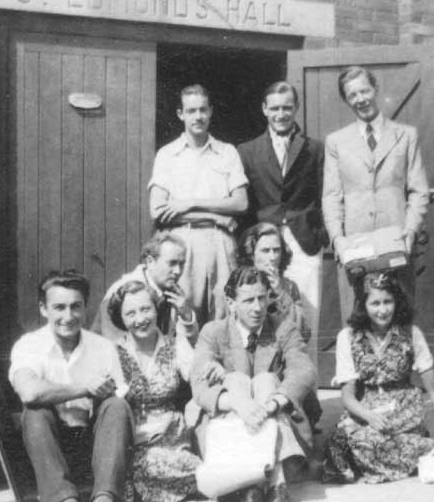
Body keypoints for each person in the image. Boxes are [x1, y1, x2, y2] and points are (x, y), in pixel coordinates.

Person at [191, 266, 317, 502]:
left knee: (266, 380)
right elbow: (200, 387)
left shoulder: (283, 328)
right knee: (236, 380)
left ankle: (257, 487)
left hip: (274, 417)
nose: (258, 307)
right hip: (228, 429)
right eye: (248, 300)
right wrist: (240, 404)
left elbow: (304, 371)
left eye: (262, 297)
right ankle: (271, 485)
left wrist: (269, 406)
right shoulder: (213, 332)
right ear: (231, 303)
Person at [8, 270, 132, 502]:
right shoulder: (29, 345)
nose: (68, 316)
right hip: (49, 446)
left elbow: (119, 400)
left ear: (85, 307)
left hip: (92, 444)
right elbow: (29, 391)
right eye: (59, 307)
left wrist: (102, 397)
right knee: (34, 412)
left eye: (76, 307)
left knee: (116, 406)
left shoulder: (102, 347)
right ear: (44, 309)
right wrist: (84, 387)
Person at [322, 271, 434, 484]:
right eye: (375, 303)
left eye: (388, 302)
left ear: (397, 302)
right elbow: (348, 397)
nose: (383, 310)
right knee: (339, 443)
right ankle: (421, 450)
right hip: (365, 406)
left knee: (367, 444)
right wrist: (369, 416)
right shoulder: (348, 337)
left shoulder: (411, 333)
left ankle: (423, 449)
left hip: (402, 407)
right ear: (363, 305)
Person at [322, 66, 429, 322]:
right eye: (352, 95)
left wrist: (411, 230)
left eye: (364, 91)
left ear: (375, 89)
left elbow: (419, 190)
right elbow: (331, 196)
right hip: (355, 246)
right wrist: (338, 239)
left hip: (396, 244)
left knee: (399, 320)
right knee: (356, 322)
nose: (360, 99)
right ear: (346, 100)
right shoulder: (336, 142)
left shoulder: (405, 135)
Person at [149, 84, 249, 325]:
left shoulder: (227, 152)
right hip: (184, 243)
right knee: (182, 315)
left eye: (203, 110)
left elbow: (241, 202)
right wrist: (215, 216)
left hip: (220, 243)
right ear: (180, 114)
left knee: (224, 315)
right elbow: (158, 209)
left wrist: (190, 203)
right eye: (191, 111)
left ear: (211, 111)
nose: (198, 117)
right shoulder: (168, 154)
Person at [238, 81, 325, 341]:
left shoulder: (315, 149)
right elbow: (246, 205)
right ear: (264, 109)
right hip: (265, 241)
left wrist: (320, 234)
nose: (281, 114)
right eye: (274, 108)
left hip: (304, 241)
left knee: (306, 312)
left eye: (287, 107)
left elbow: (325, 196)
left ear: (296, 108)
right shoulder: (247, 151)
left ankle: (307, 378)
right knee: (260, 309)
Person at [106, 280, 203, 502]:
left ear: (155, 309)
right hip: (136, 442)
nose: (140, 319)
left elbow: (196, 373)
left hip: (173, 437)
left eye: (145, 309)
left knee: (168, 463)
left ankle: (198, 480)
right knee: (148, 463)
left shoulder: (174, 345)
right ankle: (200, 482)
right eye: (130, 313)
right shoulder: (114, 352)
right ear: (121, 318)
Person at [235, 222, 322, 430]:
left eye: (276, 250)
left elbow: (303, 333)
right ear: (251, 253)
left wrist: (280, 293)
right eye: (265, 250)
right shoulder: (235, 284)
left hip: (279, 365)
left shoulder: (289, 286)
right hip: (246, 365)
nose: (273, 257)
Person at [91, 231, 198, 367]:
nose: (177, 271)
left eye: (182, 264)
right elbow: (115, 349)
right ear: (150, 262)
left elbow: (189, 347)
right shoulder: (122, 292)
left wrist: (186, 315)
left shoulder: (174, 292)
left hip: (159, 370)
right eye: (172, 263)